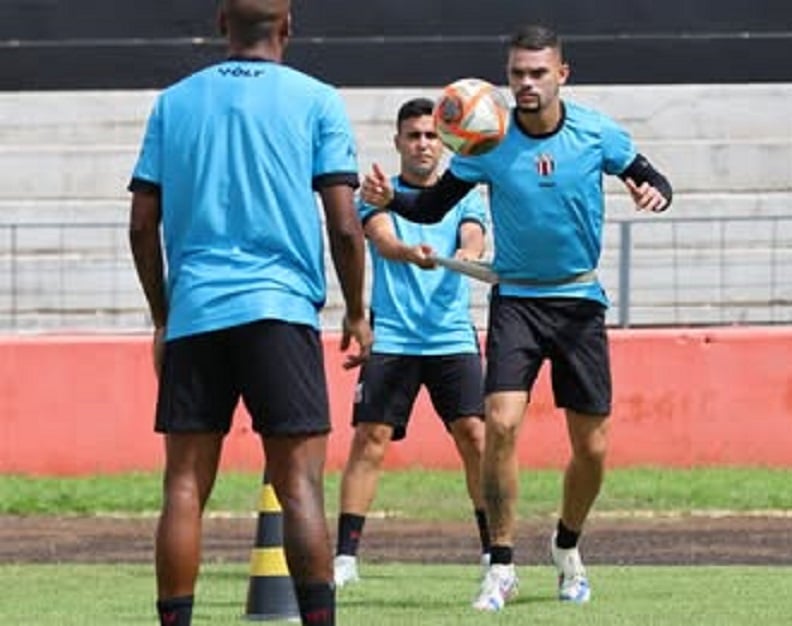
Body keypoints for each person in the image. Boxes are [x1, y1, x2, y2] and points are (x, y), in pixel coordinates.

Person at [361, 24, 672, 612]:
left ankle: (566, 546)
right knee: (499, 424)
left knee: (594, 447)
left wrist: (653, 191)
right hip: (518, 302)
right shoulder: (487, 143)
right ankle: (500, 565)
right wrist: (389, 200)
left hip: (579, 303)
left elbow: (652, 176)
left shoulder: (595, 133)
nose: (525, 84)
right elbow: (429, 204)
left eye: (537, 73)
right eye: (516, 75)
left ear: (562, 74)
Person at [127, 1, 371, 625]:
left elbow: (142, 223)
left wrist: (163, 315)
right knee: (299, 488)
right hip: (280, 310)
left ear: (220, 26)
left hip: (197, 313)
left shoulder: (173, 102)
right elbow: (345, 226)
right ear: (288, 28)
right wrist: (356, 311)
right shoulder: (317, 99)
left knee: (184, 487)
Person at [332, 97, 491, 587]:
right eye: (413, 136)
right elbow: (381, 240)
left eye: (430, 135)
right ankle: (345, 560)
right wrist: (410, 252)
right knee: (370, 441)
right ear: (398, 142)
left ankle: (493, 551)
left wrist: (463, 254)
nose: (423, 144)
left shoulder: (464, 192)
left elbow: (473, 238)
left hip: (450, 338)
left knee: (476, 438)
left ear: (443, 142)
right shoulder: (378, 195)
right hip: (395, 338)